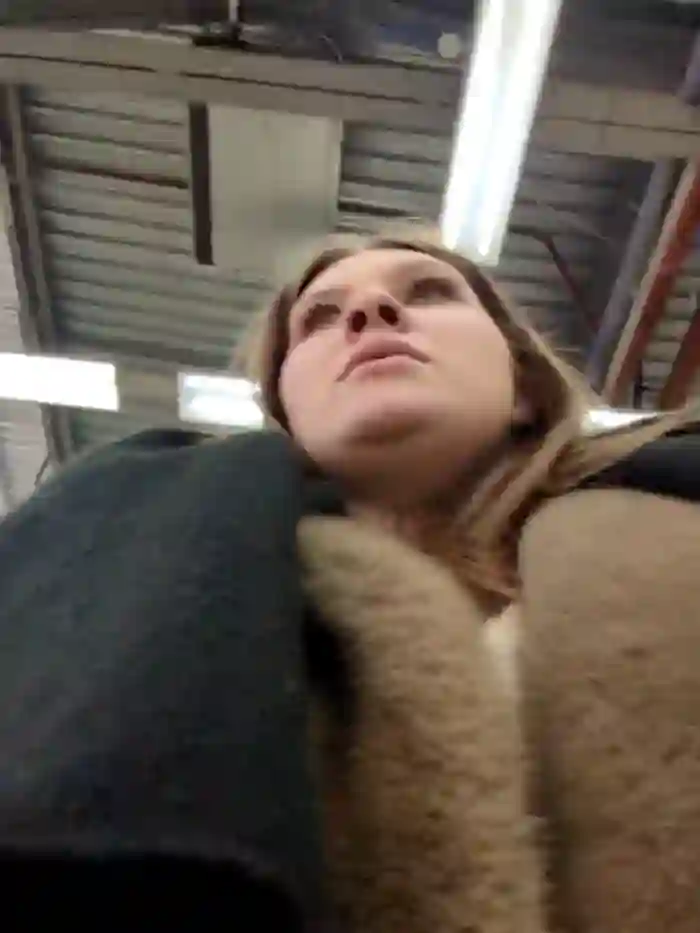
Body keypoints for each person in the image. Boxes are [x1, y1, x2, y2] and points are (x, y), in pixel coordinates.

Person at [1, 234, 700, 932]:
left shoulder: (676, 503)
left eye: (430, 291)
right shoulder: (132, 590)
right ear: (288, 415)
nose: (369, 309)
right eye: (320, 318)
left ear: (521, 386)